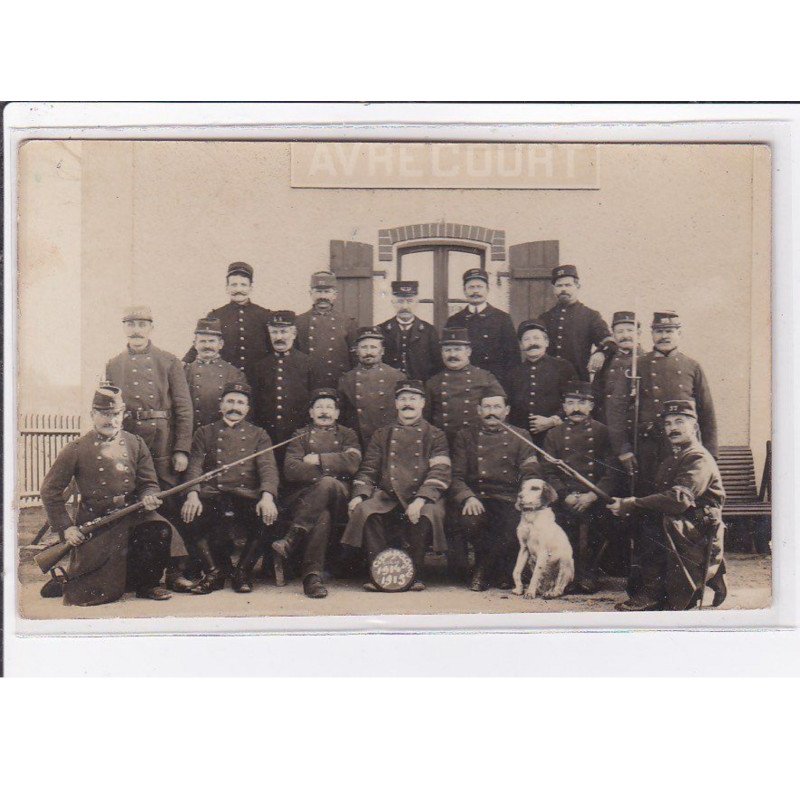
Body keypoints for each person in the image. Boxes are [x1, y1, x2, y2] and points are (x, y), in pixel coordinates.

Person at [39, 384, 173, 605]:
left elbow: (149, 483)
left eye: (116, 414)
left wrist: (149, 496)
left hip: (131, 514)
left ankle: (149, 583)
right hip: (97, 522)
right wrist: (66, 527)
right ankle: (70, 579)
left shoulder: (135, 443)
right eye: (104, 413)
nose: (110, 419)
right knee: (95, 592)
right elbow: (49, 490)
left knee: (158, 528)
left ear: (123, 415)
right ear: (92, 414)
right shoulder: (76, 448)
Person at [105, 304, 194, 591]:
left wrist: (181, 449)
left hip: (162, 443)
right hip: (129, 442)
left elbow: (183, 408)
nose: (136, 330)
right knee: (131, 501)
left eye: (142, 324)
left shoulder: (169, 361)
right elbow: (108, 409)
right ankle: (139, 573)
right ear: (124, 328)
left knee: (166, 502)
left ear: (151, 328)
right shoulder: (113, 364)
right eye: (130, 324)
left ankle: (175, 572)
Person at [608, 400, 727, 611]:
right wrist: (631, 505)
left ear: (695, 427)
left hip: (698, 526)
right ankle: (702, 576)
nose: (672, 428)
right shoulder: (674, 457)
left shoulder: (697, 458)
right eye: (668, 424)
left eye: (679, 422)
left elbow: (679, 500)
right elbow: (662, 496)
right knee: (640, 517)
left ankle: (653, 594)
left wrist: (633, 503)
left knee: (651, 522)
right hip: (685, 521)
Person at [342, 380, 451, 591]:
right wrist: (359, 495)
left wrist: (420, 499)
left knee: (428, 513)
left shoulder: (435, 435)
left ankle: (413, 575)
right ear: (395, 404)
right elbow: (368, 469)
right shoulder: (382, 434)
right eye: (403, 399)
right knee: (366, 510)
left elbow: (440, 471)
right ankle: (379, 574)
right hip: (388, 495)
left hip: (423, 495)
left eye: (413, 399)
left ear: (422, 403)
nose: (407, 404)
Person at [180, 381, 280, 594]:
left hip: (245, 495)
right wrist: (192, 494)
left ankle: (242, 572)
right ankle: (214, 573)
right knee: (190, 514)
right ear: (221, 405)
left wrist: (267, 496)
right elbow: (195, 465)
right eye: (230, 401)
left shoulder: (259, 434)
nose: (235, 407)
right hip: (214, 494)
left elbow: (268, 469)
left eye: (241, 402)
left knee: (268, 518)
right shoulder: (205, 432)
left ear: (247, 408)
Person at [272, 388, 362, 598]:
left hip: (340, 497)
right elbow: (291, 469)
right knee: (322, 515)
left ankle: (293, 537)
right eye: (319, 407)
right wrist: (334, 463)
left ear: (337, 413)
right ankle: (312, 578)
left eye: (329, 407)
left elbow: (353, 463)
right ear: (311, 412)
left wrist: (319, 460)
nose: (324, 412)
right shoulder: (300, 435)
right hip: (306, 498)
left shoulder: (348, 435)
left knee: (328, 483)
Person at [450, 390, 540, 591]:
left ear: (506, 410)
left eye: (497, 407)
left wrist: (523, 495)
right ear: (479, 410)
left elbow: (530, 469)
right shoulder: (466, 436)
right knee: (471, 523)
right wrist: (467, 497)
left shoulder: (521, 435)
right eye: (487, 407)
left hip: (509, 497)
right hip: (478, 496)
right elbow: (456, 475)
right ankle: (494, 571)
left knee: (510, 527)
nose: (492, 412)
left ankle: (485, 571)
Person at [627, 311, 718, 493]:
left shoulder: (692, 366)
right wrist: (624, 448)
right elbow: (620, 411)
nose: (664, 336)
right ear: (652, 334)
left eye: (669, 331)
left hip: (683, 446)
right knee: (649, 496)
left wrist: (710, 453)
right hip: (648, 446)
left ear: (679, 333)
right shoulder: (638, 364)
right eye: (659, 331)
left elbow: (706, 411)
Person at [541, 381, 615, 593]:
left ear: (591, 406)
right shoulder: (553, 435)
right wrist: (565, 495)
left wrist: (592, 495)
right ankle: (567, 576)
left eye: (582, 403)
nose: (576, 408)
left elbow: (612, 471)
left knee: (596, 532)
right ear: (563, 407)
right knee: (564, 535)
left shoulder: (603, 432)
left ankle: (589, 575)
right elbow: (547, 470)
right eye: (571, 403)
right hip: (566, 497)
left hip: (595, 497)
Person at [183, 262, 273, 390]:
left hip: (258, 380)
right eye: (234, 285)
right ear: (227, 288)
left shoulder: (264, 315)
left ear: (251, 288)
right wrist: (185, 362)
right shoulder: (217, 315)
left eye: (243, 285)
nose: (238, 289)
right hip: (226, 380)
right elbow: (202, 341)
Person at [425, 327, 505, 445]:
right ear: (441, 353)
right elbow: (426, 420)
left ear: (468, 351)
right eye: (447, 350)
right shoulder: (433, 382)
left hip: (477, 443)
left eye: (457, 349)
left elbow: (500, 413)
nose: (452, 354)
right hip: (444, 443)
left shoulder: (485, 378)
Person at [251, 310, 311, 464]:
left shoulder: (308, 363)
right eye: (274, 332)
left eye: (283, 331)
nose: (279, 337)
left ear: (294, 333)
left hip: (298, 435)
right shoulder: (260, 366)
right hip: (267, 435)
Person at [445, 267, 518, 389]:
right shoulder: (454, 320)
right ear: (464, 291)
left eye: (479, 287)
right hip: (463, 384)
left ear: (487, 289)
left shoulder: (502, 319)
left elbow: (512, 358)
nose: (475, 291)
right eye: (471, 287)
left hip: (493, 383)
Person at [537, 264, 614, 382]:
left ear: (577, 286)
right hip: (548, 380)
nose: (563, 289)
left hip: (577, 379)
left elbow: (608, 341)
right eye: (559, 285)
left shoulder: (590, 315)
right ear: (554, 289)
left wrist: (600, 353)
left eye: (568, 285)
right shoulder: (545, 317)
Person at [507, 320, 578, 446]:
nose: (532, 343)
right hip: (522, 440)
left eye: (536, 338)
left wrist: (552, 421)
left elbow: (575, 402)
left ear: (546, 342)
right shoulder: (513, 372)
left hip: (556, 436)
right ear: (521, 345)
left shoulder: (563, 367)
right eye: (526, 339)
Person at [338, 326, 406, 449]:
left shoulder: (397, 377)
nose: (368, 352)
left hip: (388, 441)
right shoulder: (346, 379)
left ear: (382, 351)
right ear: (357, 351)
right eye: (364, 347)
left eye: (373, 347)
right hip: (358, 442)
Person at [295, 271, 358, 389]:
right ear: (311, 293)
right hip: (309, 384)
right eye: (318, 291)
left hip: (339, 383)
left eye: (327, 291)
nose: (322, 296)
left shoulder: (348, 322)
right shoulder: (299, 322)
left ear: (335, 294)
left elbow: (355, 359)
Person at [184, 316, 246, 431]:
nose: (207, 346)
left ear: (220, 344)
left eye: (212, 341)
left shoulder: (234, 374)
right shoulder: (184, 371)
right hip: (191, 433)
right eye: (202, 341)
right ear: (195, 344)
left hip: (221, 435)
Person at [377, 280, 442, 381]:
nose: (405, 307)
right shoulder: (381, 330)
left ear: (417, 302)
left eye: (410, 301)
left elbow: (438, 365)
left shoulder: (429, 331)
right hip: (390, 389)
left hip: (420, 389)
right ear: (393, 302)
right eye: (400, 301)